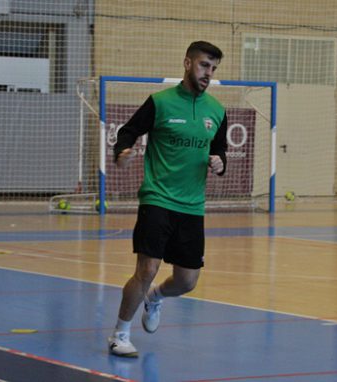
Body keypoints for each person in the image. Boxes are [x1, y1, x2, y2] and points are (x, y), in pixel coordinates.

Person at [108, 41, 228, 357]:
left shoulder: (216, 111)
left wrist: (219, 162)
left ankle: (156, 297)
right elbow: (129, 131)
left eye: (214, 68)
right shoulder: (160, 102)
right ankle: (120, 334)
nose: (208, 73)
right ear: (187, 63)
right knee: (146, 270)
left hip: (192, 206)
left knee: (187, 282)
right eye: (204, 65)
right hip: (157, 198)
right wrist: (121, 151)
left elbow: (220, 150)